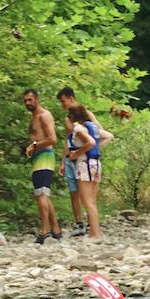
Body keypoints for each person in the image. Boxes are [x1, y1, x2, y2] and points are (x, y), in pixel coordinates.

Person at [57, 89, 113, 236]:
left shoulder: (82, 121)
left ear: (71, 98)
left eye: (63, 101)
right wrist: (64, 161)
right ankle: (88, 227)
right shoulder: (78, 122)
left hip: (84, 162)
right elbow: (70, 141)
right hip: (91, 161)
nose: (62, 105)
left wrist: (81, 152)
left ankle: (93, 230)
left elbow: (93, 137)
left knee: (88, 199)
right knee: (81, 195)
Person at [23, 89, 63, 243]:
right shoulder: (34, 116)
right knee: (43, 194)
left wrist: (34, 145)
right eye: (25, 100)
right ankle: (56, 230)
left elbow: (52, 139)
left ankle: (44, 230)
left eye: (30, 100)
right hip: (38, 157)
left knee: (41, 194)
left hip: (45, 156)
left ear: (37, 99)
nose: (27, 103)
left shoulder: (44, 115)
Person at [64, 105, 104, 239]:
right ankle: (95, 231)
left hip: (84, 165)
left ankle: (95, 233)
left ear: (72, 117)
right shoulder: (90, 127)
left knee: (88, 201)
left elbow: (90, 142)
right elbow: (106, 136)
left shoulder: (78, 128)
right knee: (92, 201)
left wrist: (76, 154)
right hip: (96, 163)